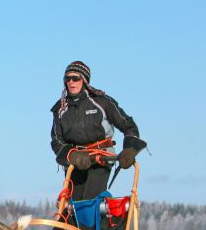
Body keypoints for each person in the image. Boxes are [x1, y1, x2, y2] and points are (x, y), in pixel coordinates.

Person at [50, 61, 147, 201]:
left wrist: (130, 149)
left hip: (101, 159)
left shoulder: (102, 102)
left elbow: (128, 125)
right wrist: (71, 155)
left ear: (84, 80)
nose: (71, 82)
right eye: (67, 78)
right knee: (72, 209)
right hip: (76, 161)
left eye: (75, 78)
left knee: (90, 202)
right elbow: (56, 141)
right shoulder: (60, 109)